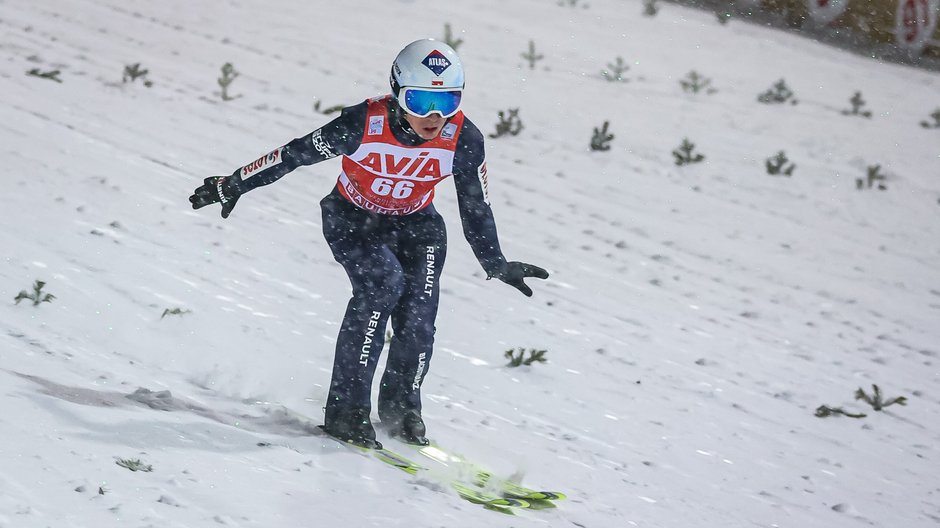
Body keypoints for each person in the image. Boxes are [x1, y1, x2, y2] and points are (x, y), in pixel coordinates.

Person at [189, 38, 548, 449]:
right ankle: (346, 410)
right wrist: (232, 184)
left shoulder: (464, 139)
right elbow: (292, 155)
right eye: (420, 101)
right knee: (382, 286)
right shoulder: (362, 124)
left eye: (447, 102)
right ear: (397, 93)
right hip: (353, 219)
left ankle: (401, 408)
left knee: (418, 318)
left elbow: (476, 206)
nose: (434, 117)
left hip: (418, 226)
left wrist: (495, 262)